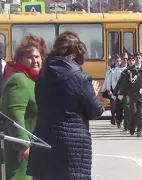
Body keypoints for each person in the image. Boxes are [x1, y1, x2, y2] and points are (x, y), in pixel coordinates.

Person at [26, 31, 105, 180]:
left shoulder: (43, 74)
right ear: (76, 55)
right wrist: (93, 94)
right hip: (70, 148)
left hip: (43, 139)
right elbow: (96, 111)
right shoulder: (80, 78)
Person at [1, 35, 47, 180]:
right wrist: (23, 145)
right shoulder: (19, 80)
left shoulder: (34, 79)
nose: (35, 61)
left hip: (35, 146)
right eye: (29, 57)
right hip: (22, 151)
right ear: (20, 59)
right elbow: (14, 114)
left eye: (37, 56)